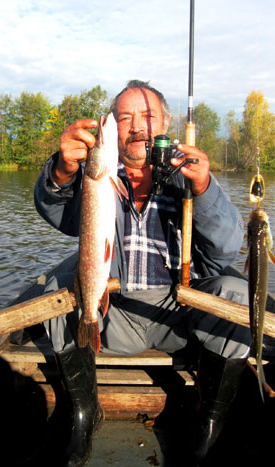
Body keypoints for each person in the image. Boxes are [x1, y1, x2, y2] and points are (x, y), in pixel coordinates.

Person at [34, 80, 251, 466]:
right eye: (125, 118)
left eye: (147, 116)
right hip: (111, 318)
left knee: (235, 289)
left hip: (182, 319)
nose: (136, 126)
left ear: (165, 124)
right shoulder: (96, 178)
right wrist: (62, 171)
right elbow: (57, 212)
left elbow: (223, 252)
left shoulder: (190, 179)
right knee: (56, 286)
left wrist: (203, 188)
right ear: (115, 130)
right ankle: (85, 413)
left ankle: (211, 420)